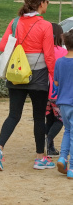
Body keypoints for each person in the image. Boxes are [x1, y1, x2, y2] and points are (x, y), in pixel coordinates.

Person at [0, 0, 55, 171]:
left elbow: (3, 46)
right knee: (38, 117)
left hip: (16, 74)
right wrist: (54, 77)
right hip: (38, 75)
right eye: (46, 1)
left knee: (13, 115)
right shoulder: (45, 26)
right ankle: (39, 158)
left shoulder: (15, 22)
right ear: (41, 3)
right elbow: (49, 56)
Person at [54, 30, 73, 178]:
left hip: (62, 103)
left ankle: (62, 157)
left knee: (67, 130)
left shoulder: (59, 61)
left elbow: (56, 82)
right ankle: (72, 166)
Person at [46, 23, 66, 156]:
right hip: (57, 91)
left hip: (44, 89)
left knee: (50, 118)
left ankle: (50, 148)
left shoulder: (45, 51)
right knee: (60, 119)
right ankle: (47, 141)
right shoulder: (63, 52)